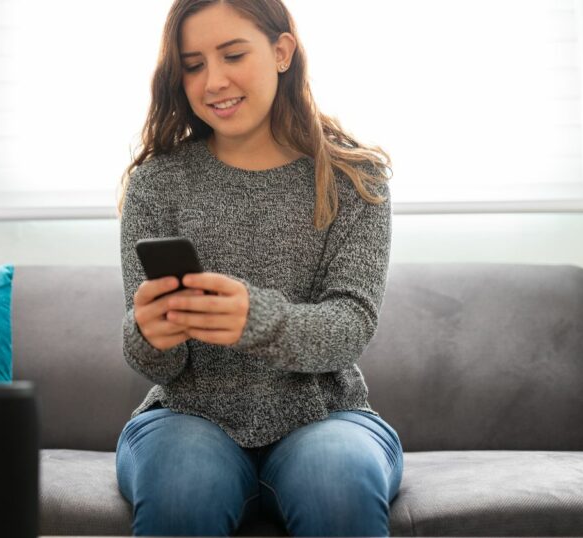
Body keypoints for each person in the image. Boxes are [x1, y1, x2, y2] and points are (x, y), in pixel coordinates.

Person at [113, 0, 404, 536]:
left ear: (281, 51)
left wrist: (257, 319)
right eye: (194, 64)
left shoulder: (354, 180)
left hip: (326, 417)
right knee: (183, 487)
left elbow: (349, 329)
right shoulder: (158, 184)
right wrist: (151, 335)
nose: (213, 81)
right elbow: (156, 365)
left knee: (336, 485)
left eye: (232, 55)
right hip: (186, 417)